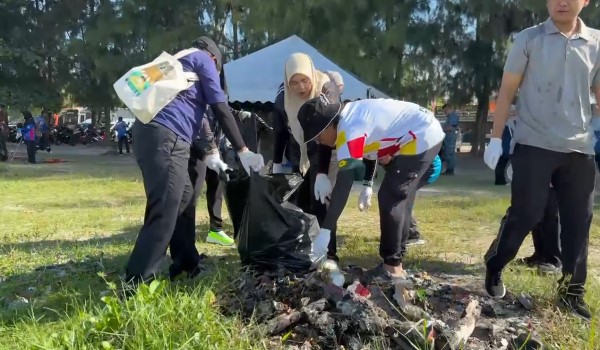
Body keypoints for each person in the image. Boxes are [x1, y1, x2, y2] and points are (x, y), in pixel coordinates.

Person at [482, 0, 599, 321]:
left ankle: (572, 293)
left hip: (579, 149)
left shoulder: (596, 42)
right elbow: (506, 91)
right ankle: (495, 264)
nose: (561, 2)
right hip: (533, 144)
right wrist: (495, 139)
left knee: (578, 222)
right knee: (527, 213)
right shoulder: (529, 39)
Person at [124, 36, 264, 285]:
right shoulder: (202, 59)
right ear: (215, 59)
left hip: (153, 134)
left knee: (185, 198)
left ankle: (186, 262)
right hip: (167, 136)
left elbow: (200, 119)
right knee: (165, 207)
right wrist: (243, 150)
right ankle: (137, 282)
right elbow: (220, 107)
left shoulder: (179, 66)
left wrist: (211, 154)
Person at [298, 95, 445, 282]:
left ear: (328, 125)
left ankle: (392, 267)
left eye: (318, 136)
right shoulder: (345, 119)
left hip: (422, 134)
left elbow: (345, 182)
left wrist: (326, 230)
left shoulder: (350, 128)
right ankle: (396, 260)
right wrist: (323, 174)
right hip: (421, 130)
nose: (318, 142)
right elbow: (369, 150)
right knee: (399, 196)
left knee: (391, 197)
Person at [271, 53, 341, 260]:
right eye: (294, 83)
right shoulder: (282, 98)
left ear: (312, 75)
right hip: (297, 151)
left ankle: (329, 254)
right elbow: (281, 132)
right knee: (299, 203)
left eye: (304, 80)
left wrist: (321, 174)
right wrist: (276, 163)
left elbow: (332, 130)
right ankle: (303, 251)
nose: (300, 87)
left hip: (325, 148)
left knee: (322, 201)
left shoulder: (328, 89)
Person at [495, 105, 517, 185]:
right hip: (506, 145)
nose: (513, 113)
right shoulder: (506, 122)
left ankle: (503, 179)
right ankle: (500, 180)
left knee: (505, 163)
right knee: (502, 162)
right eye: (511, 111)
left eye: (514, 111)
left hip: (511, 144)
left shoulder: (516, 120)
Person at [441, 104, 459, 175]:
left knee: (450, 153)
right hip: (447, 138)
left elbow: (451, 127)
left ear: (449, 108)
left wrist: (441, 129)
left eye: (445, 111)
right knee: (446, 153)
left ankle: (450, 169)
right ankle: (448, 168)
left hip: (450, 138)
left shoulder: (453, 117)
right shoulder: (449, 117)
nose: (445, 113)